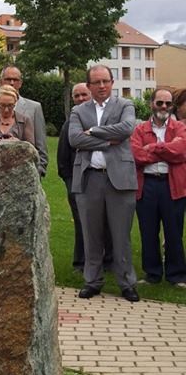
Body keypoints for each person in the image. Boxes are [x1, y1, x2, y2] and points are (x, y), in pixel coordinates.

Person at [68, 64, 139, 302]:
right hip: (90, 178)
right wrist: (108, 141)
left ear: (112, 82)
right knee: (91, 234)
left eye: (105, 81)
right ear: (88, 85)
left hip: (119, 178)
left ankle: (127, 283)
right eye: (96, 82)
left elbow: (127, 128)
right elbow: (74, 138)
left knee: (121, 236)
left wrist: (94, 132)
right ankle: (93, 281)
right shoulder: (79, 110)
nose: (101, 86)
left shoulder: (125, 105)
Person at [131, 88, 186, 287]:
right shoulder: (140, 129)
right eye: (159, 103)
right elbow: (137, 155)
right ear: (151, 104)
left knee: (174, 231)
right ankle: (152, 274)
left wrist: (154, 148)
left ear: (172, 106)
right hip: (148, 185)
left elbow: (181, 151)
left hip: (172, 185)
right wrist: (167, 150)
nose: (164, 107)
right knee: (148, 230)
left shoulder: (179, 128)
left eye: (168, 103)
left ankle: (177, 275)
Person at [57, 82, 113, 273]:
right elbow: (63, 158)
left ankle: (109, 260)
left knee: (108, 221)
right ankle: (81, 262)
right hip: (78, 182)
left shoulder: (104, 121)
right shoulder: (69, 124)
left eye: (84, 95)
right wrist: (71, 182)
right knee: (82, 223)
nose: (80, 99)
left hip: (103, 178)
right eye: (77, 96)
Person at [0, 66, 48, 175]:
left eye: (15, 80)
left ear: (20, 83)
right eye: (8, 79)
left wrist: (39, 170)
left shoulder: (34, 108)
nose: (12, 83)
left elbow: (40, 145)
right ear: (0, 82)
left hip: (25, 174)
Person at [0, 84, 37, 153]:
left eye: (10, 105)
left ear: (15, 103)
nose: (6, 110)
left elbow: (31, 149)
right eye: (2, 105)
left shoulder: (25, 120)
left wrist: (18, 143)